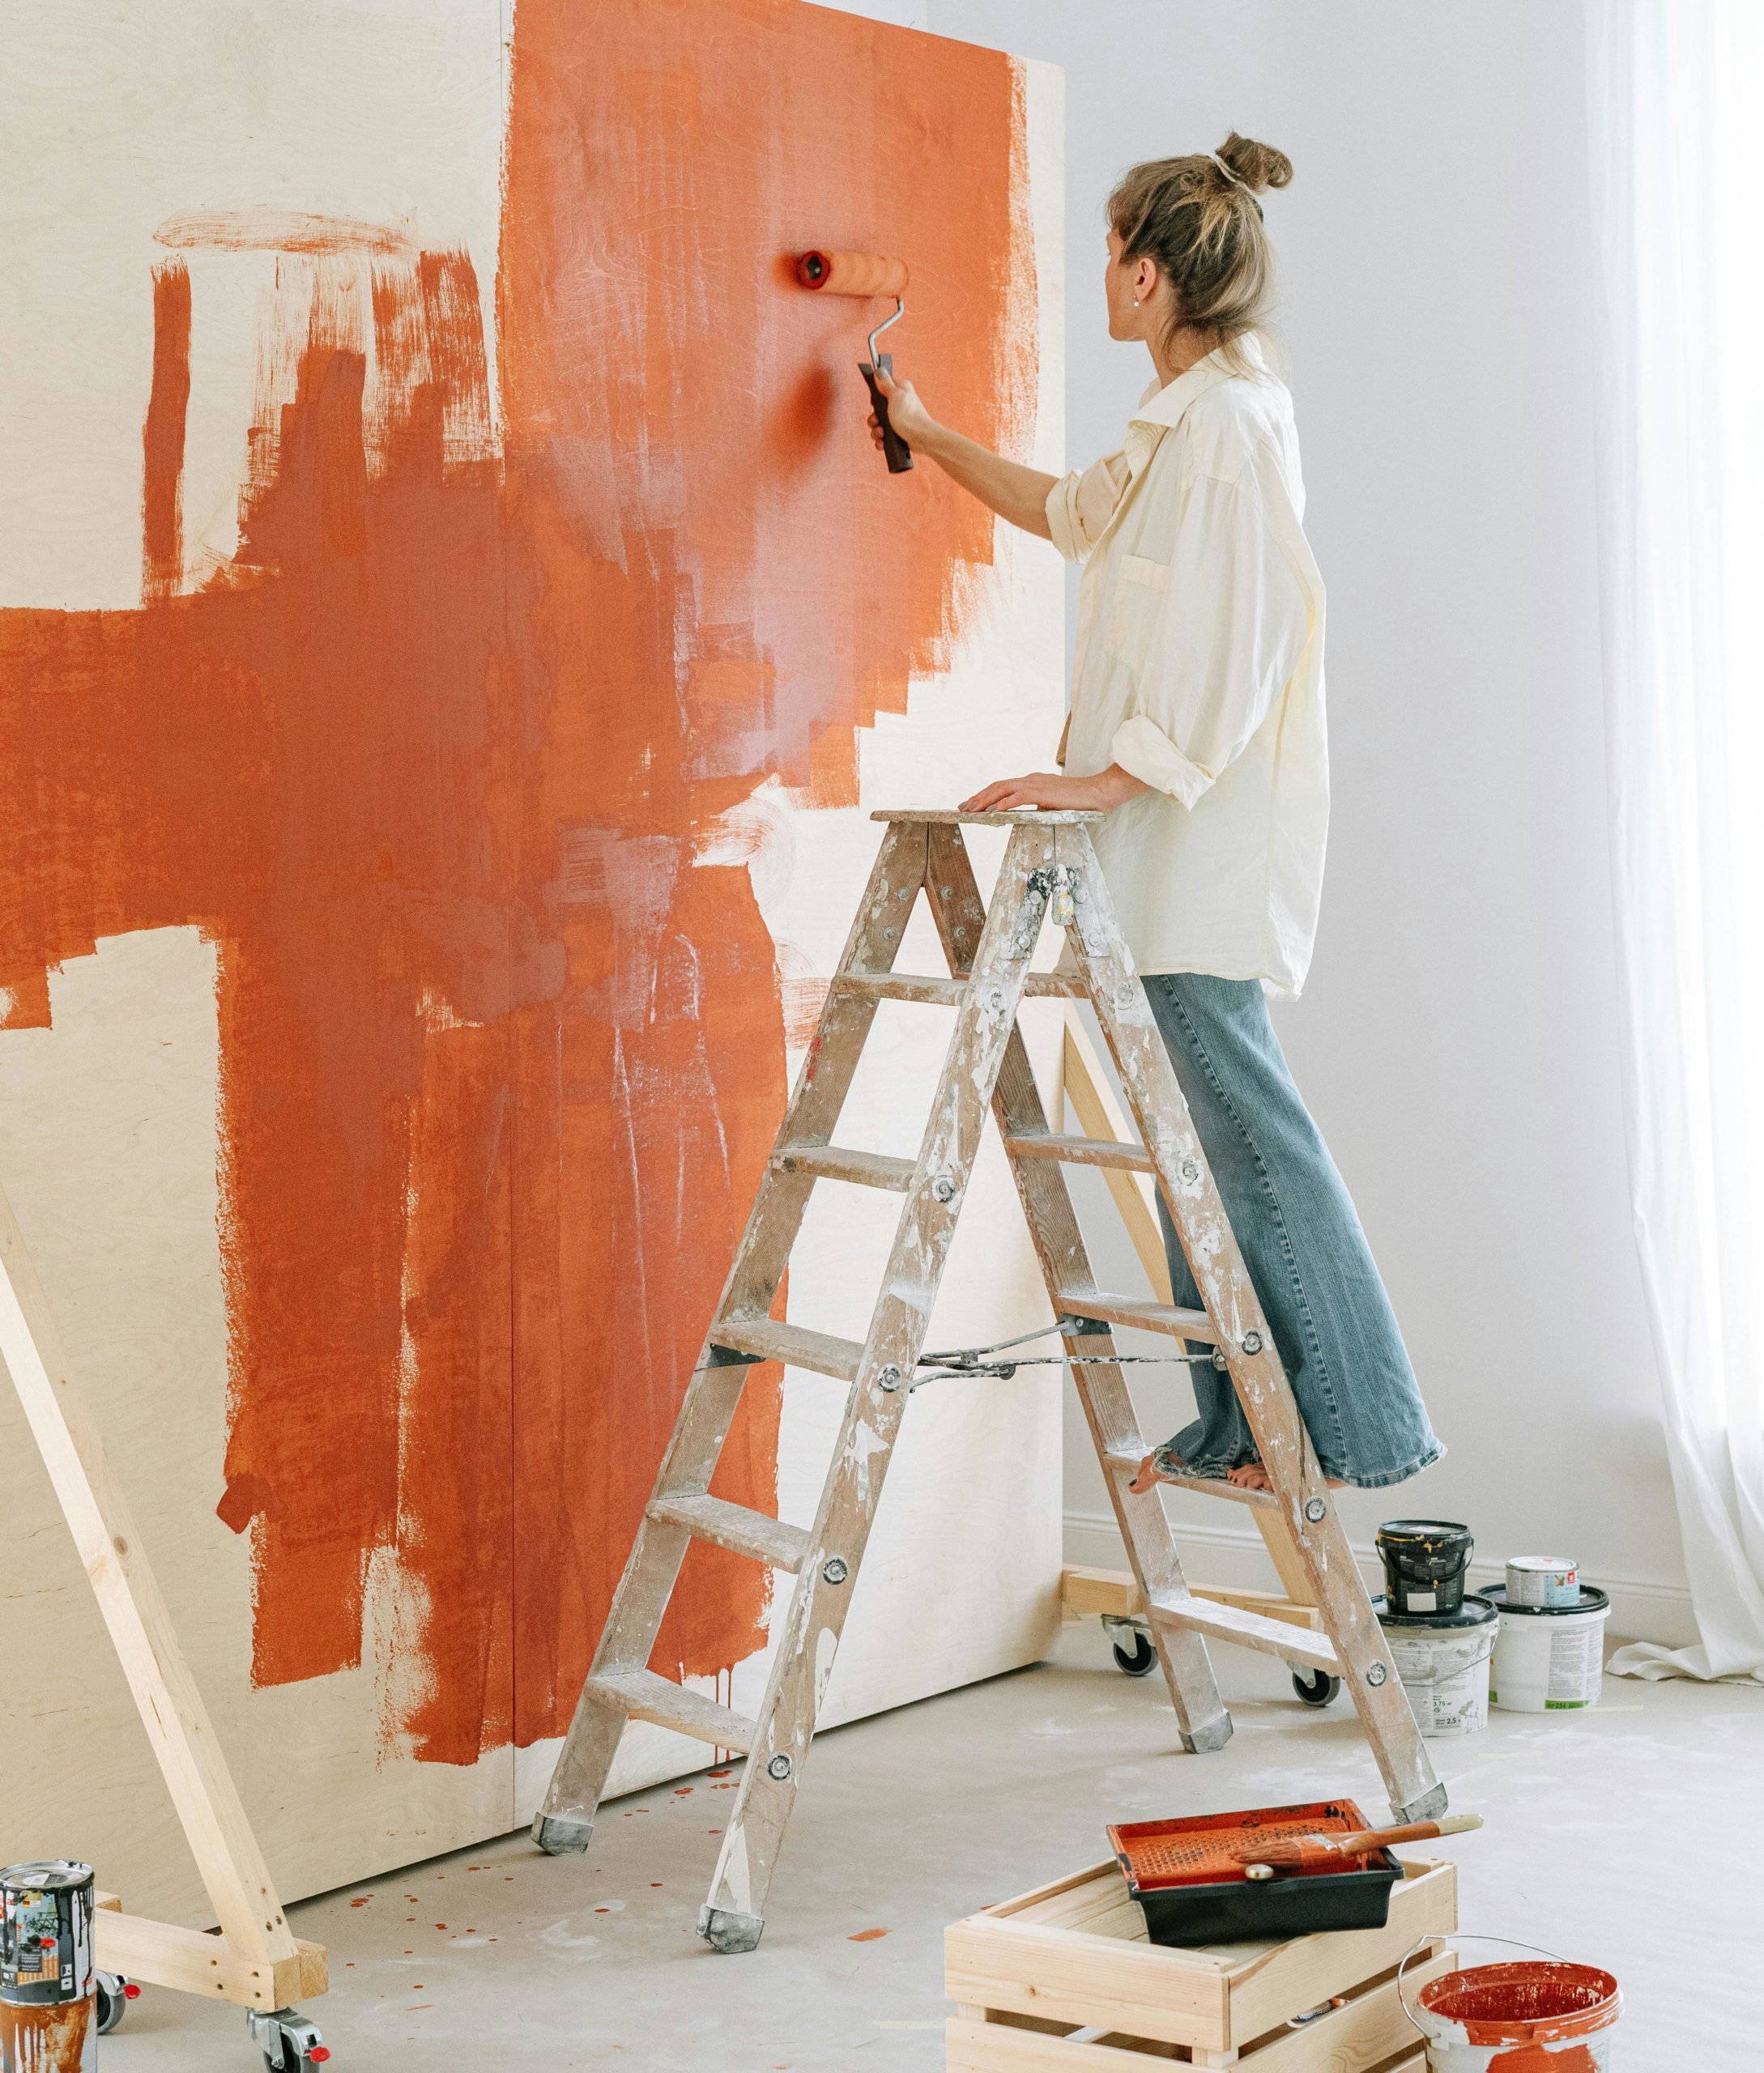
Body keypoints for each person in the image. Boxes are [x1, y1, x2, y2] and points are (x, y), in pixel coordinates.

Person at [868, 133, 1441, 1495]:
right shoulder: (1181, 424)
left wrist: (1109, 772)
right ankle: (1244, 1424)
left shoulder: (1231, 430)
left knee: (1244, 1133)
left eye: (1110, 253)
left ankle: (1362, 1428)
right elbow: (1068, 515)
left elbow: (1244, 641)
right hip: (1164, 849)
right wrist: (927, 433)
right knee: (1199, 1140)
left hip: (1197, 846)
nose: (1100, 277)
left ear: (1145, 276)